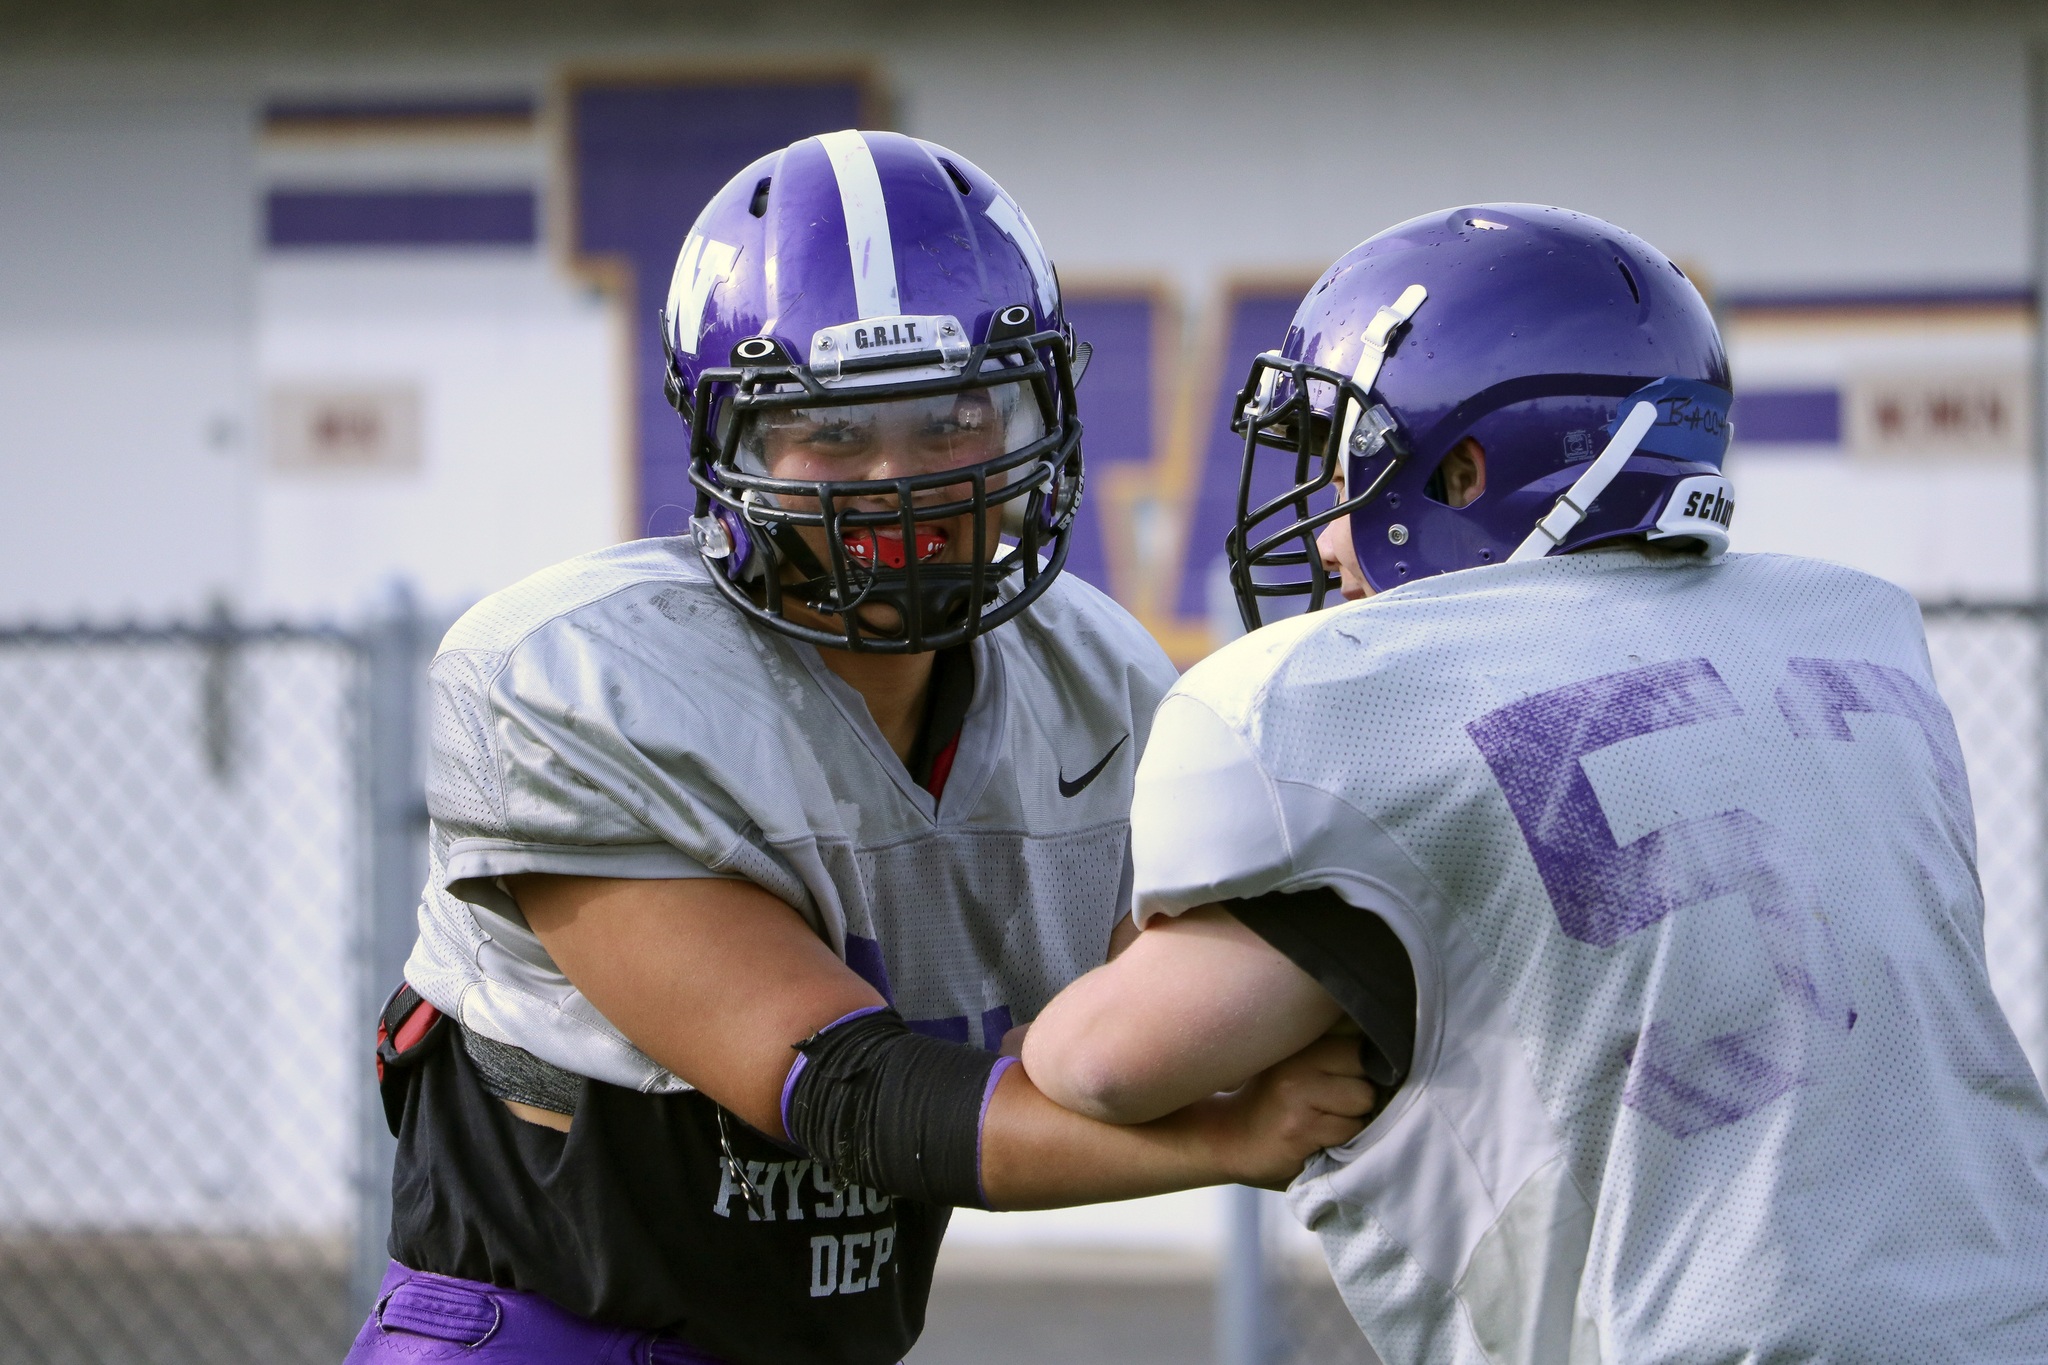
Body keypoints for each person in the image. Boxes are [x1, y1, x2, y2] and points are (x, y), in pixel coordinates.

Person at [344, 130, 1373, 1365]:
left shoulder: (1091, 675)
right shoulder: (573, 682)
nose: (900, 483)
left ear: (1033, 415)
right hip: (548, 1341)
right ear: (732, 450)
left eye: (949, 421)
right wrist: (1219, 1138)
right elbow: (846, 1096)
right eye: (830, 435)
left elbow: (1160, 1014)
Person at [1021, 204, 2048, 1362]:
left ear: (1463, 470)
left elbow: (1103, 1064)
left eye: (1353, 471)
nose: (1323, 540)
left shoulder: (1371, 706)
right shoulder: (1851, 635)